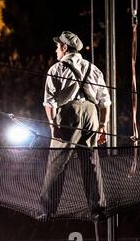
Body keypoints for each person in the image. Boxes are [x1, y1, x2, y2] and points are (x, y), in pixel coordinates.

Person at [38, 31, 111, 222]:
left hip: (69, 115)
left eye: (57, 46)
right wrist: (102, 126)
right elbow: (105, 102)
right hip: (91, 114)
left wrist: (53, 125)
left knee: (57, 162)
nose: (55, 50)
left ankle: (48, 210)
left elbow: (49, 102)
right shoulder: (93, 69)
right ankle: (98, 209)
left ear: (64, 48)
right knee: (90, 162)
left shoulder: (56, 69)